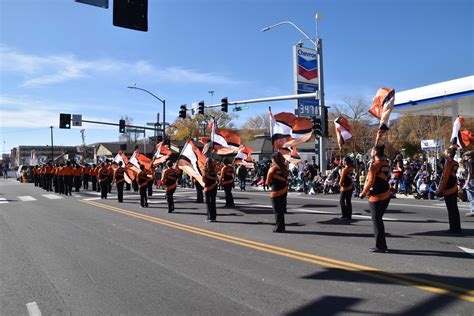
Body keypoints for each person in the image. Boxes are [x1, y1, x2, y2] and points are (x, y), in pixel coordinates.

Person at [360, 144, 391, 253]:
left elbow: (370, 181)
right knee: (379, 220)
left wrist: (363, 193)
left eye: (372, 151)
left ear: (375, 153)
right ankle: (382, 245)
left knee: (376, 221)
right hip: (386, 193)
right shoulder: (386, 163)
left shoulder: (374, 165)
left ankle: (380, 246)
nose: (370, 152)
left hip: (376, 196)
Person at [436, 147, 462, 234]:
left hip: (448, 189)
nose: (444, 154)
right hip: (454, 187)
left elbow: (445, 178)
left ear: (448, 154)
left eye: (445, 153)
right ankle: (457, 227)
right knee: (455, 209)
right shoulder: (456, 163)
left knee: (451, 209)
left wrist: (440, 189)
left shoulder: (448, 164)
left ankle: (453, 228)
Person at [266, 152, 289, 233]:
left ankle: (278, 227)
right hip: (284, 190)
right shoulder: (285, 168)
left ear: (274, 159)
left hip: (275, 192)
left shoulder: (272, 169)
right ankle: (282, 226)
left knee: (276, 211)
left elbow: (267, 182)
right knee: (281, 210)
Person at [339, 157, 354, 221]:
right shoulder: (351, 168)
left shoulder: (345, 169)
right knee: (348, 201)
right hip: (350, 186)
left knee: (341, 201)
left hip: (345, 187)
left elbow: (341, 179)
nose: (342, 161)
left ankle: (344, 214)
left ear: (345, 162)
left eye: (343, 161)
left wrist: (340, 184)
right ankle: (349, 216)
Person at [464, 151, 474, 216]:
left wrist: (467, 181)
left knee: (471, 196)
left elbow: (470, 172)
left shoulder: (469, 162)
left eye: (466, 155)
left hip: (471, 180)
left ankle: (473, 210)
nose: (465, 157)